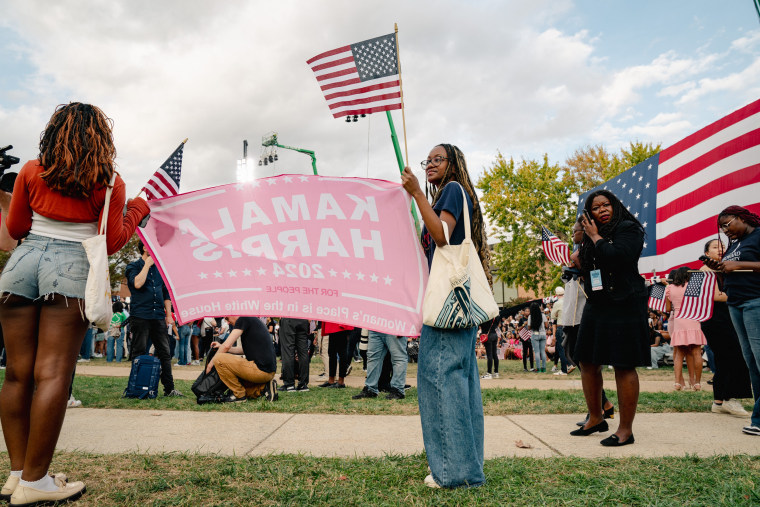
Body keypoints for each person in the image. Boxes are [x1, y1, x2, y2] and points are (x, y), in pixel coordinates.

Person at [0, 102, 149, 504]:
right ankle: (36, 481)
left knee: (16, 374)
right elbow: (114, 240)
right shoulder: (110, 183)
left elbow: (15, 228)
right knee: (53, 376)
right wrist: (138, 208)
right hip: (71, 268)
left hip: (22, 264)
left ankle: (17, 475)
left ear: (55, 133)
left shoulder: (32, 170)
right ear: (101, 139)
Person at [401, 143, 489, 488]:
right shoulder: (449, 195)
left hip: (446, 304)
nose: (430, 165)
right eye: (428, 160)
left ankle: (453, 472)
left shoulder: (452, 190)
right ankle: (467, 465)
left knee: (440, 381)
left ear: (454, 164)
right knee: (462, 384)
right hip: (461, 303)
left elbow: (441, 235)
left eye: (439, 159)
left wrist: (415, 195)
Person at [571, 189, 649, 446]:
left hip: (625, 303)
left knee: (624, 364)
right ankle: (596, 418)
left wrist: (594, 236)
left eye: (607, 205)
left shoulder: (629, 228)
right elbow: (592, 267)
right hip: (599, 303)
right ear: (589, 212)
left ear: (615, 206)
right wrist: (578, 259)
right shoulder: (591, 236)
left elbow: (620, 258)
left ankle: (626, 430)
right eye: (596, 207)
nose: (602, 210)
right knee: (587, 360)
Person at [702, 205, 760, 436]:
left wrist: (738, 264)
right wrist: (721, 269)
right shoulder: (735, 244)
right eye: (721, 228)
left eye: (728, 224)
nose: (725, 231)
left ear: (742, 217)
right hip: (735, 304)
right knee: (752, 364)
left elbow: (745, 267)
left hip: (755, 301)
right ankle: (758, 417)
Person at [699, 239, 751, 416]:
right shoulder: (705, 270)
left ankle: (719, 401)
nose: (720, 249)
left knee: (723, 360)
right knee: (736, 356)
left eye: (722, 247)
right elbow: (715, 296)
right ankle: (732, 398)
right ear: (707, 254)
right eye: (715, 247)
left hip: (726, 318)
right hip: (716, 319)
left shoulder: (724, 269)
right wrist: (743, 295)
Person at [125, 241, 183, 397]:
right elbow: (137, 284)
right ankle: (135, 388)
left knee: (165, 352)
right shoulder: (133, 266)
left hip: (158, 316)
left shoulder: (160, 270)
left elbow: (165, 294)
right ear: (144, 248)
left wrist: (169, 316)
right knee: (139, 352)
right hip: (140, 315)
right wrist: (146, 265)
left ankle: (169, 389)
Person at [205, 317, 278, 402]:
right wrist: (221, 346)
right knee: (242, 388)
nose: (228, 322)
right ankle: (264, 388)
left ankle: (239, 396)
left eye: (228, 319)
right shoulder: (252, 321)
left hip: (260, 371)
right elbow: (243, 350)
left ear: (235, 314)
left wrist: (210, 365)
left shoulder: (242, 319)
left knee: (218, 358)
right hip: (268, 372)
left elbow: (227, 346)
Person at [664, 267, 707, 391]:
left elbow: (668, 309)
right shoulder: (694, 287)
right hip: (693, 318)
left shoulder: (669, 288)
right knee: (696, 352)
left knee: (679, 353)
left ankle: (678, 383)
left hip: (678, 320)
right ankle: (697, 383)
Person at [352, 331, 409, 400]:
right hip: (377, 326)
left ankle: (397, 390)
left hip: (395, 325)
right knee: (373, 358)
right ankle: (371, 388)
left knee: (398, 358)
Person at [279, 318, 311, 392]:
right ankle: (303, 384)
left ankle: (289, 384)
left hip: (288, 317)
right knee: (303, 352)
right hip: (303, 318)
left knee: (288, 351)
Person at [528, 302, 548, 373]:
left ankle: (538, 369)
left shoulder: (530, 317)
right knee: (542, 351)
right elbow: (546, 325)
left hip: (535, 334)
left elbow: (529, 327)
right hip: (543, 334)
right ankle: (544, 368)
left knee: (536, 352)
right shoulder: (543, 315)